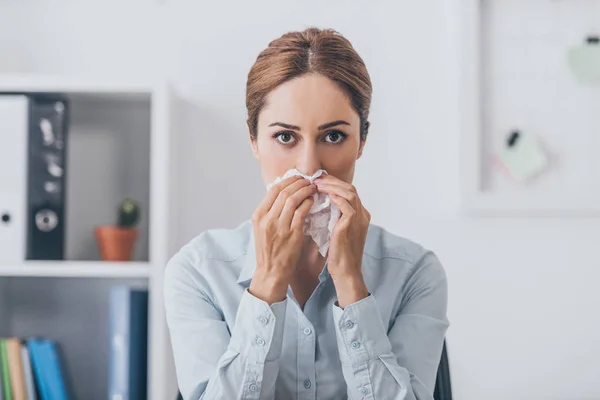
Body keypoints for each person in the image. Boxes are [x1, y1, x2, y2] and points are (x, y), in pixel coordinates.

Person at [164, 27, 449, 400]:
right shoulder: (197, 271)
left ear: (362, 141)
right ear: (253, 141)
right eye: (285, 137)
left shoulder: (415, 273)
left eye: (333, 136)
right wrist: (267, 283)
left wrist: (350, 282)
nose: (309, 166)